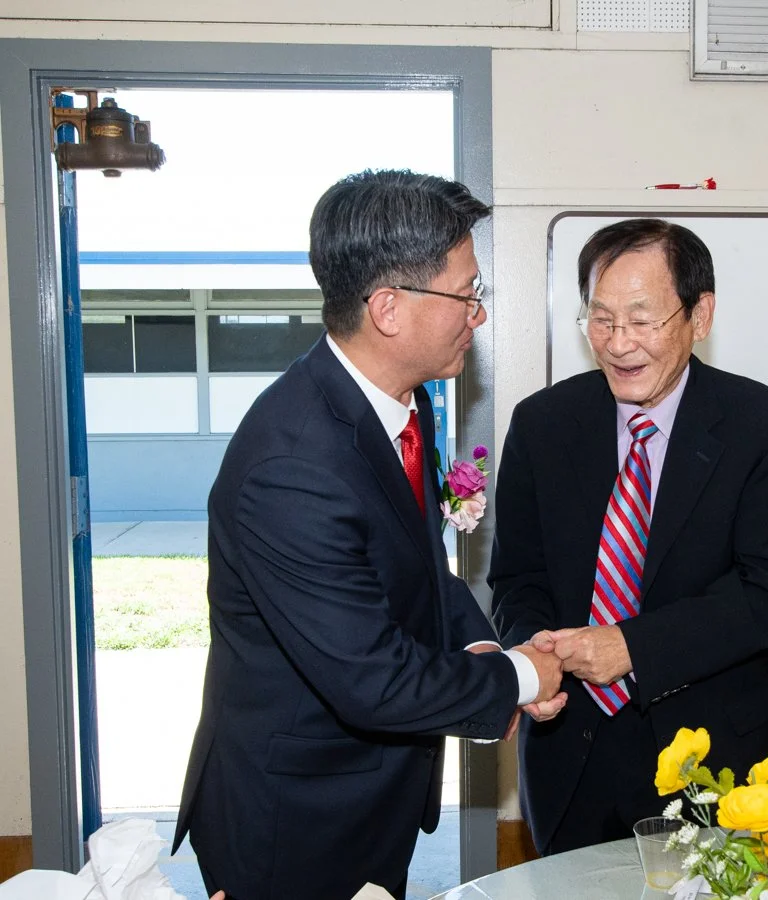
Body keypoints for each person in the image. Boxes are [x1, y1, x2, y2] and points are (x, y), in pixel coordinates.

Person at [173, 170, 562, 900]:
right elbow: (372, 681)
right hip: (294, 821)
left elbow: (419, 565)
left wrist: (480, 646)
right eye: (466, 294)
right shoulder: (293, 466)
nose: (477, 315)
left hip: (371, 797)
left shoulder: (400, 405)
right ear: (388, 308)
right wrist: (522, 676)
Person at [490, 218, 768, 855]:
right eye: (601, 319)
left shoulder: (763, 427)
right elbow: (517, 577)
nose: (618, 343)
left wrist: (631, 647)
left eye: (642, 319)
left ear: (700, 315)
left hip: (714, 754)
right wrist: (534, 655)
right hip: (569, 749)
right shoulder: (542, 425)